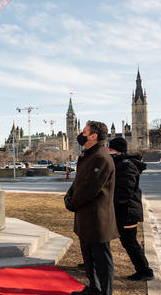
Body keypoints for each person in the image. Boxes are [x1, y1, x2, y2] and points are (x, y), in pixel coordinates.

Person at [64, 121, 119, 295]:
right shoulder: (88, 155)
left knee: (102, 259)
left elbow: (89, 189)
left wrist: (71, 202)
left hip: (97, 218)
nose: (81, 134)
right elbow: (78, 182)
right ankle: (94, 288)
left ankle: (104, 291)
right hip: (86, 216)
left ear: (93, 136)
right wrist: (69, 195)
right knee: (89, 257)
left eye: (84, 132)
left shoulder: (101, 158)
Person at [108, 137, 154, 281]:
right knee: (127, 241)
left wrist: (112, 204)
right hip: (123, 210)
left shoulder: (127, 166)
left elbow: (124, 191)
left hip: (128, 211)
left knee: (130, 242)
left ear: (119, 151)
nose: (108, 152)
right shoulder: (119, 163)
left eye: (111, 149)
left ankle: (145, 271)